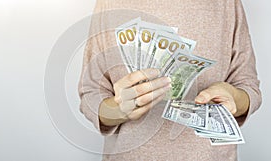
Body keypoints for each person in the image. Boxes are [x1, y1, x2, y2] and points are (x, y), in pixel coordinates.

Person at [78, 0, 262, 160]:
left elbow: (248, 85)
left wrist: (234, 97)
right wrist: (119, 110)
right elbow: (91, 93)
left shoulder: (226, 3)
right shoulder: (110, 3)